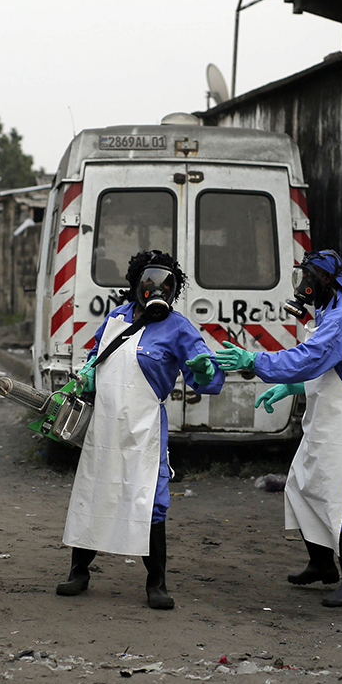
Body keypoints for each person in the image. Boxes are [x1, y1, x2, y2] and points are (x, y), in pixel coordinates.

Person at [57, 250, 222, 609]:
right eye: (149, 281)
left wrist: (206, 371)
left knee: (149, 501)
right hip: (104, 426)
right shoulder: (116, 318)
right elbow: (95, 358)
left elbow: (206, 375)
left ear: (174, 290)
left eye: (166, 283)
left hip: (144, 429)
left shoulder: (179, 328)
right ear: (136, 284)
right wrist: (86, 373)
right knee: (95, 492)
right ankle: (79, 572)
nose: (156, 288)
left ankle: (156, 583)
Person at [213, 249, 342, 607]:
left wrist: (254, 360)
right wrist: (292, 386)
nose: (303, 286)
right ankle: (322, 565)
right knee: (302, 486)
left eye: (309, 279)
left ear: (327, 280)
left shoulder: (340, 317)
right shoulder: (329, 308)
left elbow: (309, 359)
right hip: (328, 414)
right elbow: (327, 368)